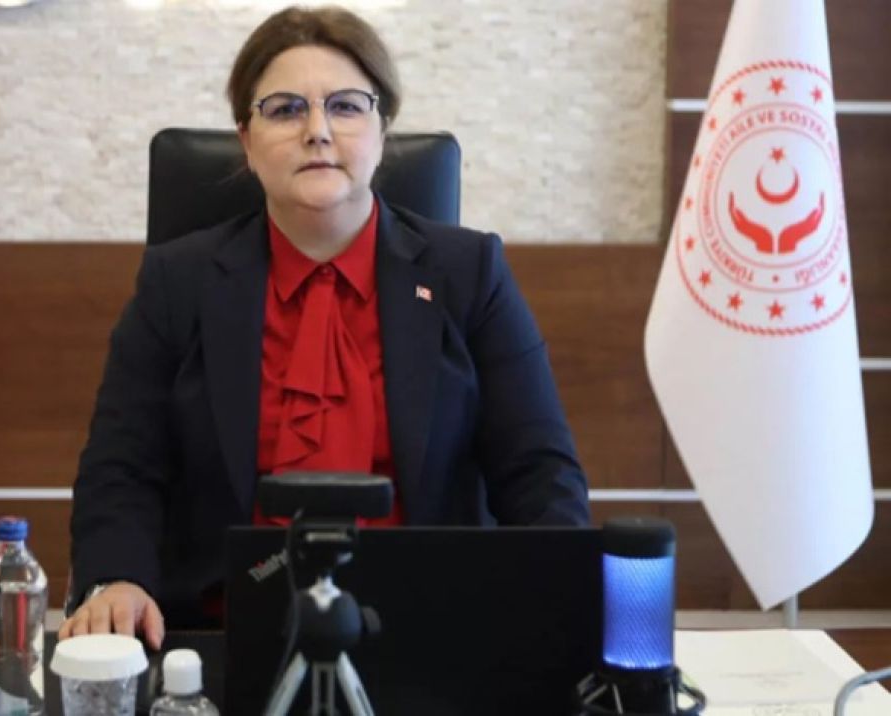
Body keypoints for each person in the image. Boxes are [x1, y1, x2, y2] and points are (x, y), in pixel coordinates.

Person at [59, 5, 589, 650]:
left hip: (432, 631)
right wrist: (116, 579)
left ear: (382, 130)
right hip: (222, 634)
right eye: (285, 110)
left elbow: (538, 471)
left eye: (345, 106)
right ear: (246, 140)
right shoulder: (180, 281)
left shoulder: (469, 272)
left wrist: (555, 599)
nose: (317, 131)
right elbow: (122, 467)